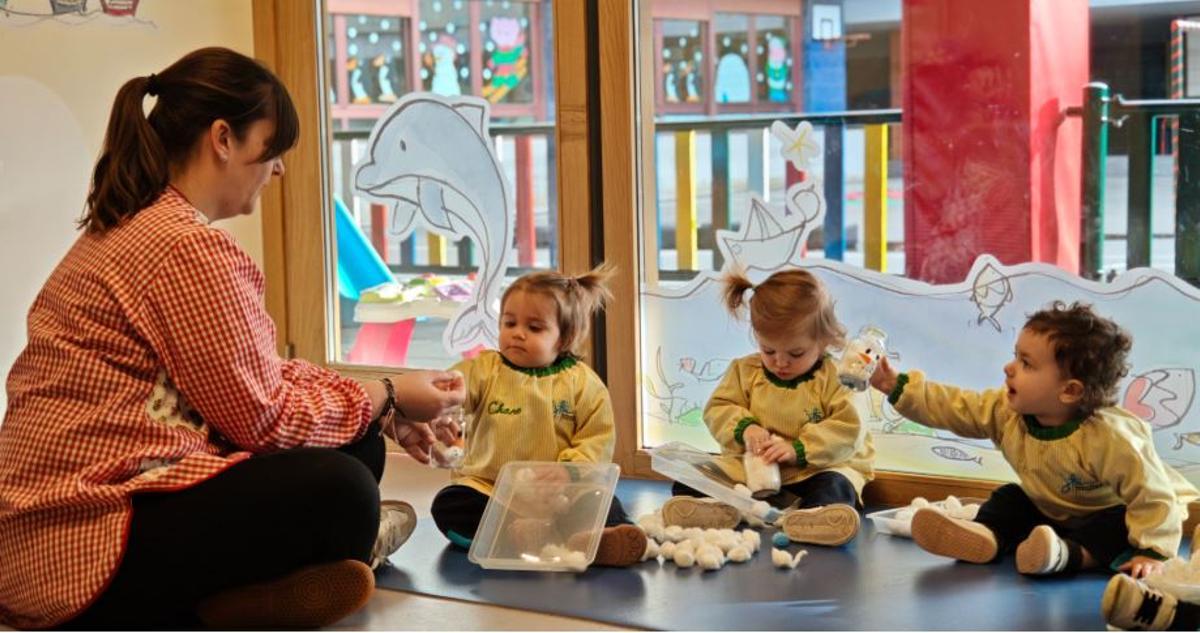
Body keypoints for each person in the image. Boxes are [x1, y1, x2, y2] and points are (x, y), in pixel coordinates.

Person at [0, 47, 464, 630]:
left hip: (59, 524)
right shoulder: (185, 247)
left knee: (359, 443)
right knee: (343, 489)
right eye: (272, 148)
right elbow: (267, 419)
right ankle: (246, 589)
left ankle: (240, 599)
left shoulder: (139, 226)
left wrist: (381, 404)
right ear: (223, 138)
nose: (279, 169)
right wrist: (386, 393)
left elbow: (256, 373)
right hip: (87, 537)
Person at [870, 301, 1198, 578]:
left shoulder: (1110, 437)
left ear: (1069, 391)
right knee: (1010, 499)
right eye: (1016, 356)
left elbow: (1154, 495)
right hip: (1053, 513)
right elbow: (955, 407)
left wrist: (1153, 552)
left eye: (1026, 363)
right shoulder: (1006, 412)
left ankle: (1067, 555)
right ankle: (986, 536)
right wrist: (896, 387)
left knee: (1116, 525)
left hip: (1110, 513)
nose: (1009, 368)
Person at [428, 264, 648, 567]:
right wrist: (442, 407)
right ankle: (520, 533)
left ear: (565, 338)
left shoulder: (583, 383)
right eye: (509, 323)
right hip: (492, 491)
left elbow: (597, 438)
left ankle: (604, 538)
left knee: (601, 501)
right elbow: (456, 389)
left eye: (534, 328)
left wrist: (569, 472)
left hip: (562, 494)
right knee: (450, 505)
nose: (517, 334)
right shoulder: (484, 369)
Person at [662, 269, 875, 547]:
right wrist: (746, 428)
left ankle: (812, 518)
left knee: (836, 486)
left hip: (814, 469)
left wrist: (798, 449)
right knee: (690, 480)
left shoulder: (838, 378)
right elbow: (718, 408)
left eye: (796, 353)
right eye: (769, 350)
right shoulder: (744, 371)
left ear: (824, 340)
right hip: (751, 470)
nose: (780, 362)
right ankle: (722, 509)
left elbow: (849, 429)